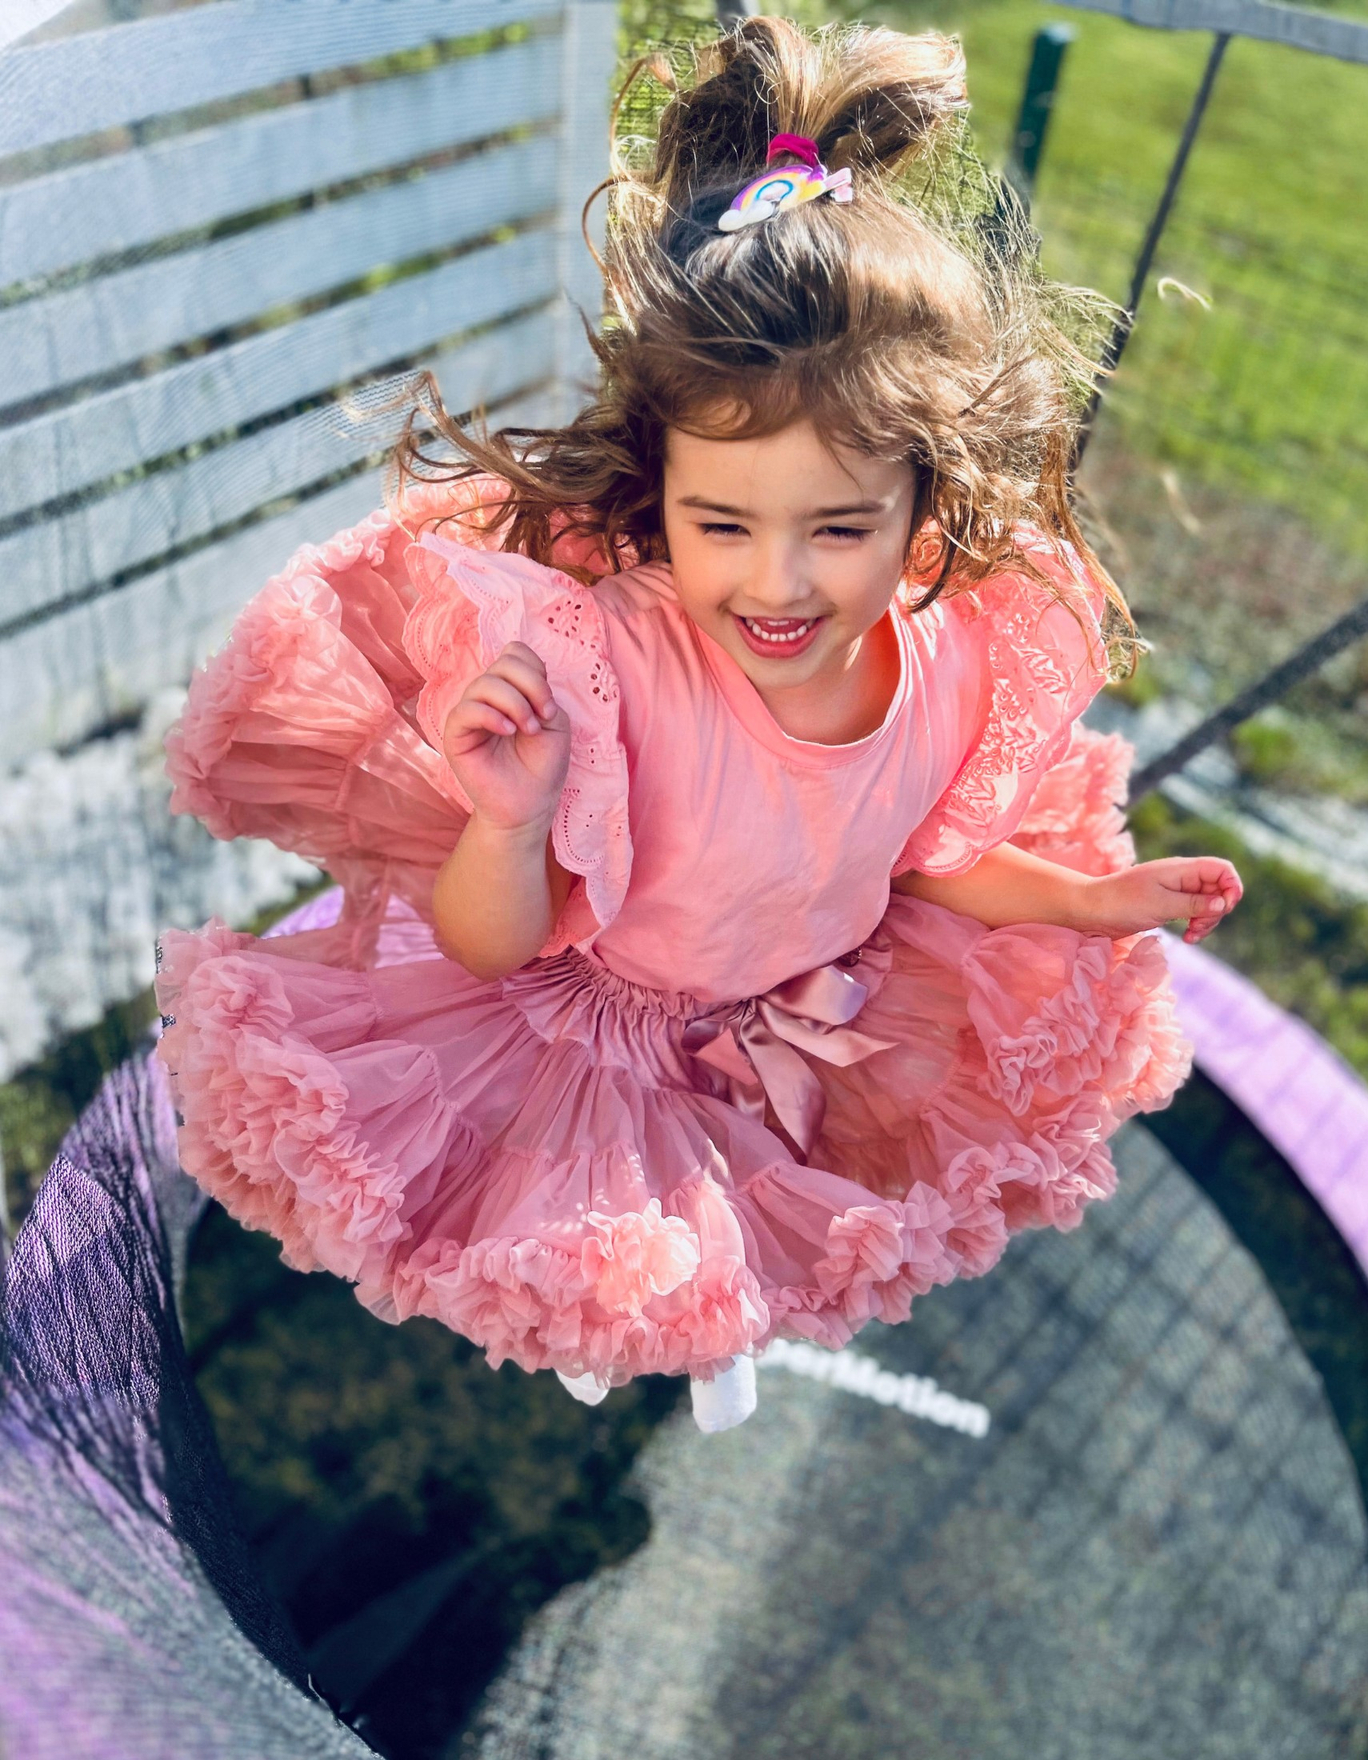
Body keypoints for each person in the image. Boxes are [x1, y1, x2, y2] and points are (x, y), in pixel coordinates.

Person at [156, 20, 1240, 1433]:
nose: (777, 583)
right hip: (605, 1034)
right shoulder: (611, 672)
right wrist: (514, 819)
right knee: (591, 1272)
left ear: (926, 504)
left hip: (792, 1011)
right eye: (721, 524)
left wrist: (1092, 903)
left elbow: (923, 864)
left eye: (839, 529)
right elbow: (491, 942)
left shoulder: (951, 663)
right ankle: (605, 1345)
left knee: (787, 1227)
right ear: (658, 491)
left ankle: (714, 1323)